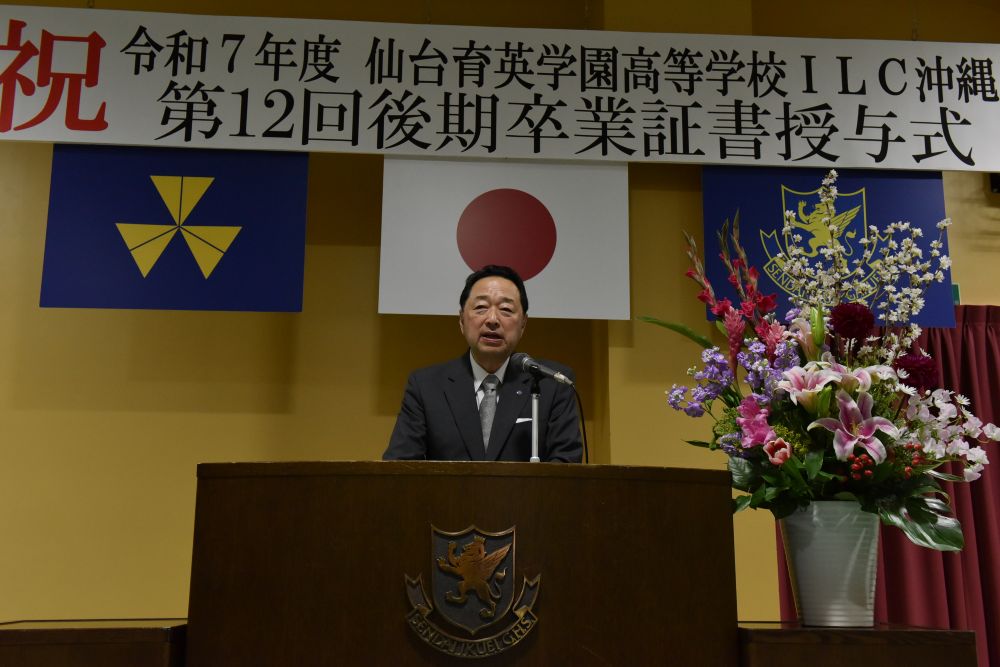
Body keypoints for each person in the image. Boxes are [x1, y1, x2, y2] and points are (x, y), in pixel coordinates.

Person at [383, 265, 582, 462]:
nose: (492, 319)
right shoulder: (426, 386)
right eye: (481, 308)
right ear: (461, 320)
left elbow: (566, 463)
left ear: (523, 324)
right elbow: (399, 465)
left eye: (506, 309)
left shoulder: (551, 383)